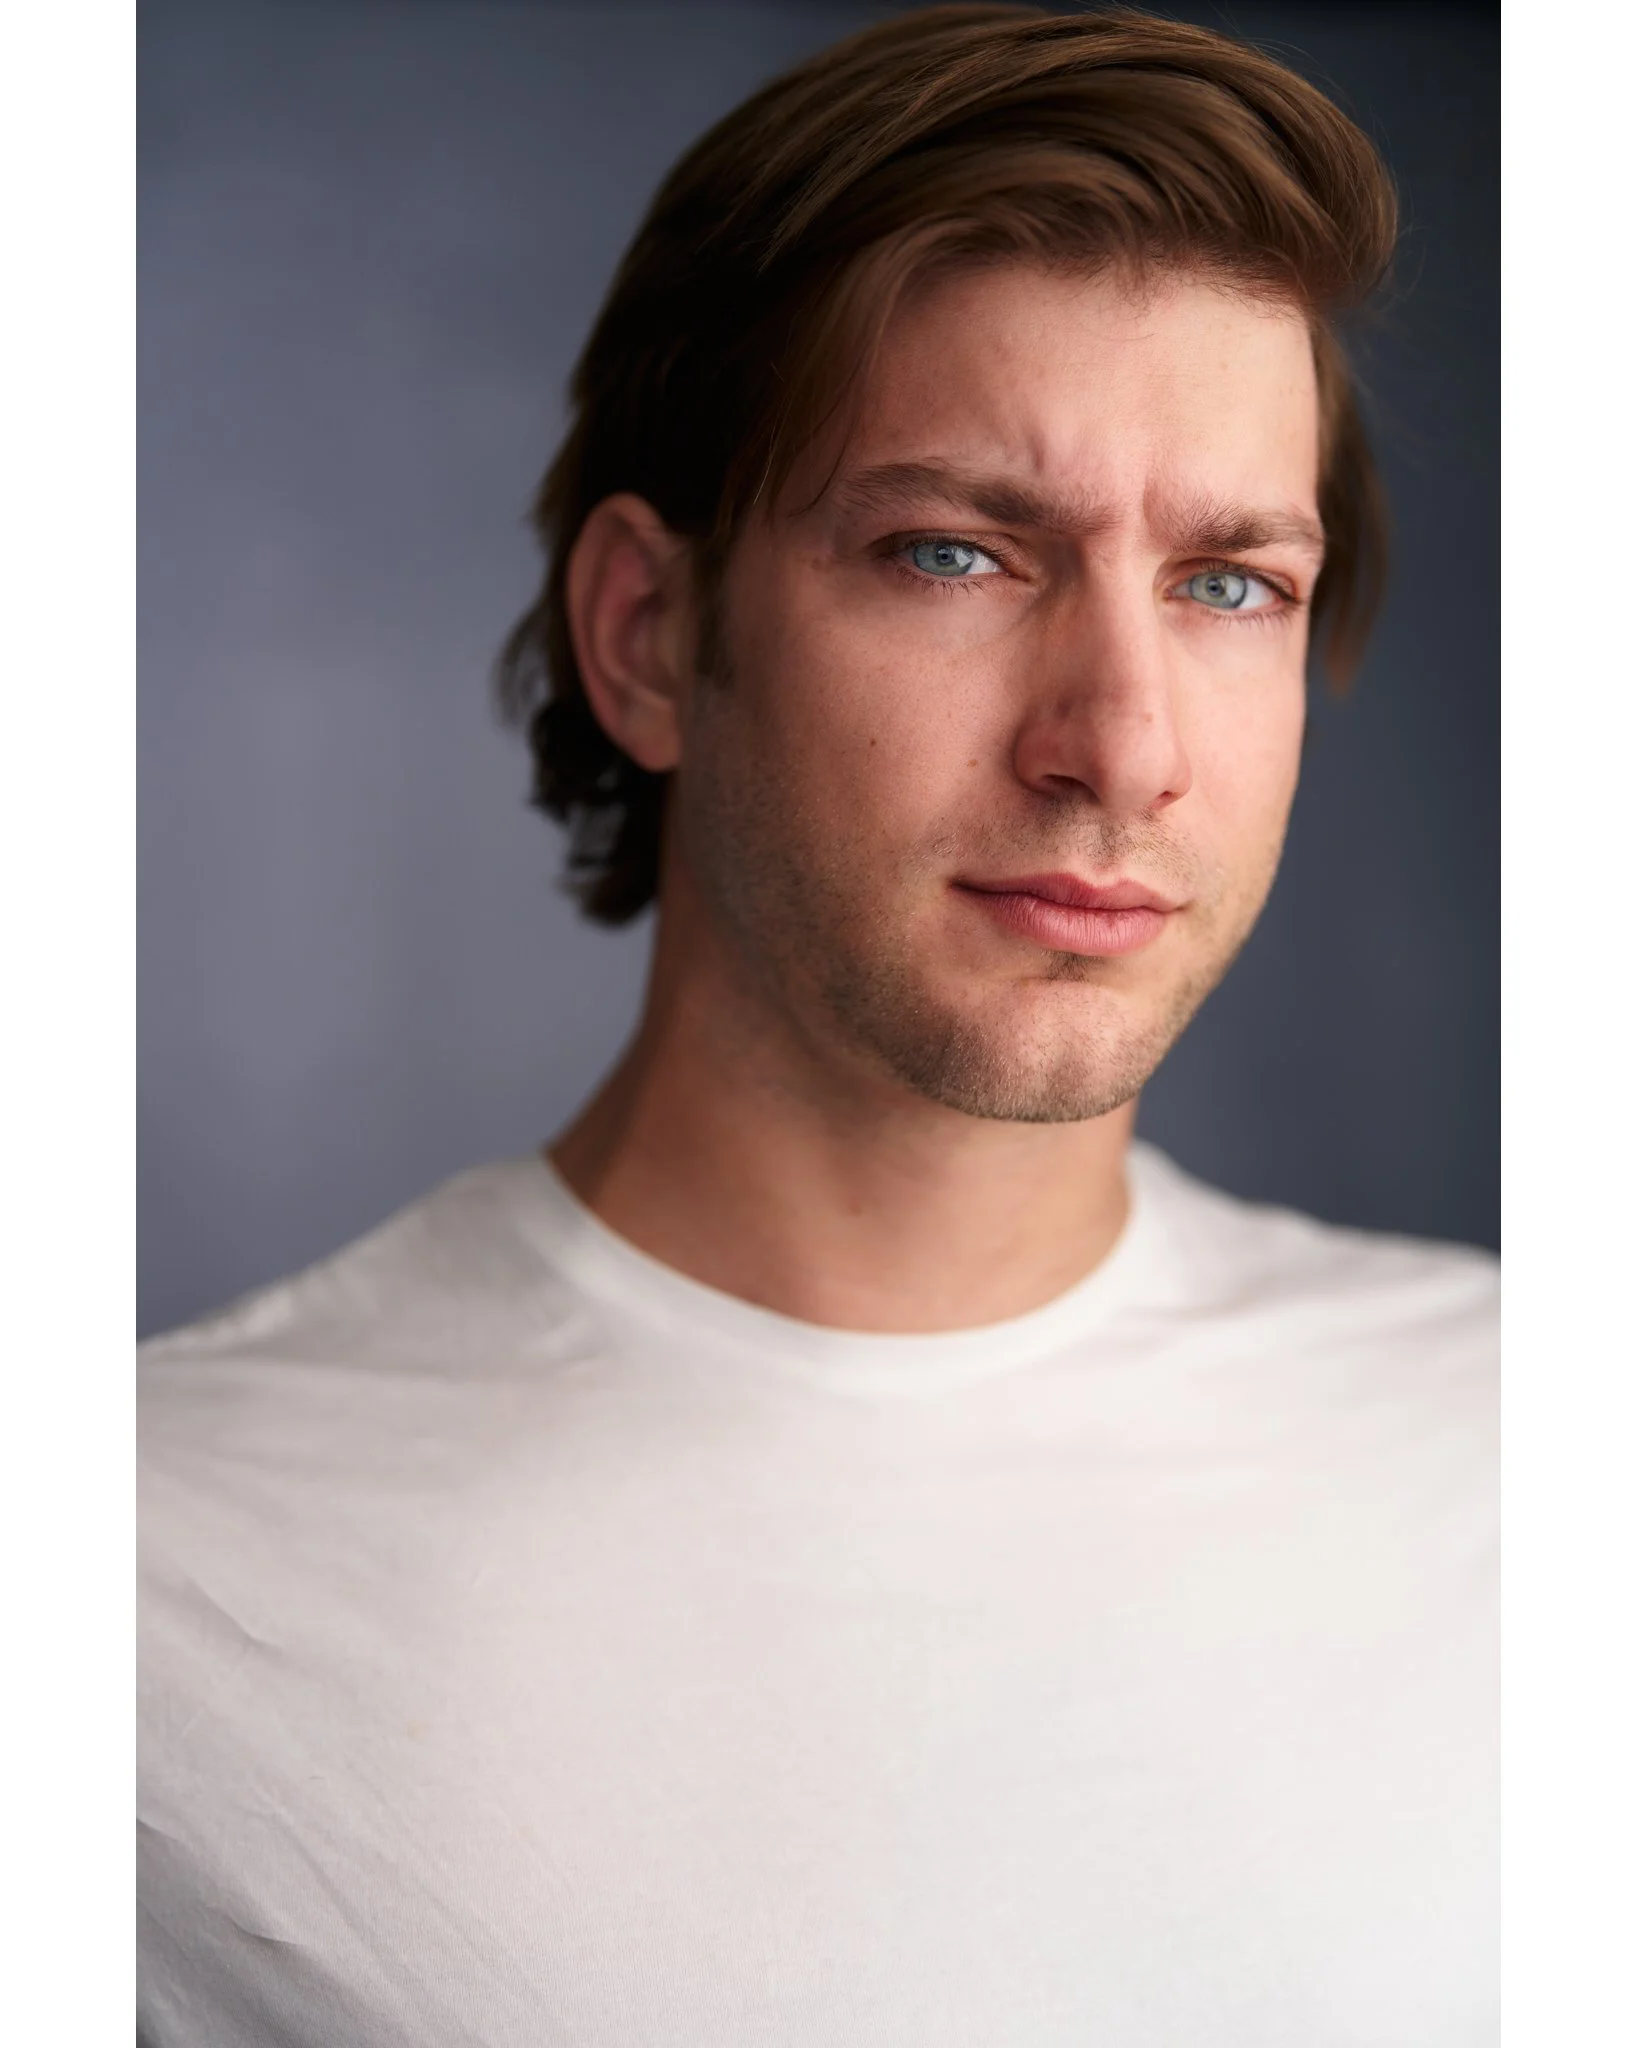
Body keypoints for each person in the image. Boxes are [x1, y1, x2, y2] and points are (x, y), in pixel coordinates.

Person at [136, 7, 1497, 2044]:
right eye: (954, 552)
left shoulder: (1528, 1442)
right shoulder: (136, 1587)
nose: (1122, 747)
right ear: (647, 634)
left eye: (1228, 584)